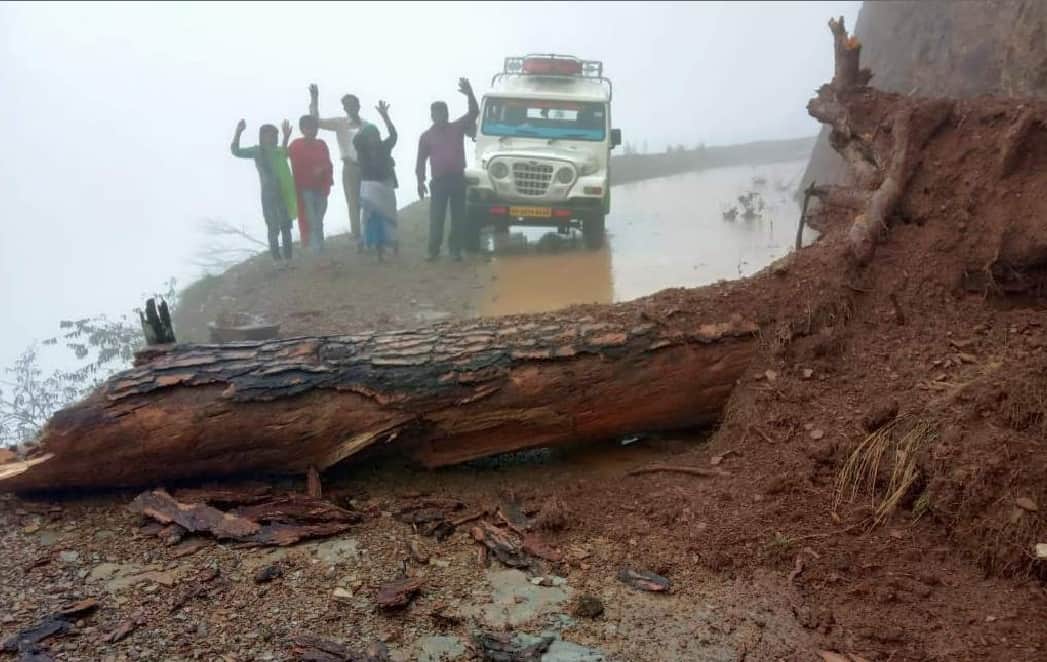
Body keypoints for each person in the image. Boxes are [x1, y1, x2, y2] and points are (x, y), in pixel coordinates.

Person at [416, 78, 479, 261]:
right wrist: (420, 182)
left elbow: (473, 112)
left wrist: (470, 93)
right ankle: (433, 251)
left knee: (458, 218)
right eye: (435, 113)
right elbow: (420, 161)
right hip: (439, 182)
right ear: (431, 115)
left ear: (447, 113)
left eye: (442, 112)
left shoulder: (457, 127)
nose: (439, 116)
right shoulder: (426, 136)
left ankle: (455, 251)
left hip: (458, 179)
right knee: (437, 218)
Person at [231, 119, 297, 264]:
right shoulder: (257, 151)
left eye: (275, 135)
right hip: (269, 195)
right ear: (262, 137)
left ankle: (289, 259)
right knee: (273, 228)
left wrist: (286, 138)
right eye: (270, 135)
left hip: (284, 194)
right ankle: (277, 260)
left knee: (286, 227)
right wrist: (238, 132)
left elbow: (283, 153)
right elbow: (236, 151)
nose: (273, 138)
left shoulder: (279, 151)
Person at [309, 84, 368, 244]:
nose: (350, 107)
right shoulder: (339, 123)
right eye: (347, 105)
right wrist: (314, 99)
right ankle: (357, 235)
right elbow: (316, 121)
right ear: (344, 108)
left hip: (366, 166)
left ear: (358, 105)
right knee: (353, 202)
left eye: (353, 104)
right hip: (350, 167)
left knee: (368, 200)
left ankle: (368, 233)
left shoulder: (365, 124)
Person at [354, 101, 399, 261]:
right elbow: (357, 139)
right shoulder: (361, 150)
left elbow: (394, 135)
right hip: (369, 188)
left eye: (375, 135)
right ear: (365, 138)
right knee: (372, 219)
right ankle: (378, 249)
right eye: (369, 136)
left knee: (389, 216)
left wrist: (385, 117)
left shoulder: (384, 147)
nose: (373, 138)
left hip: (385, 186)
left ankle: (393, 244)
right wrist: (357, 120)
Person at [288, 115, 334, 253]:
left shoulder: (321, 144)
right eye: (308, 127)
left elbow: (328, 164)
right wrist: (285, 138)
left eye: (314, 127)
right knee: (312, 219)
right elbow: (282, 154)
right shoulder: (295, 145)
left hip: (321, 187)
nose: (312, 130)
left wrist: (323, 170)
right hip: (304, 189)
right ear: (302, 129)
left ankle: (319, 245)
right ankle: (317, 248)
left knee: (319, 218)